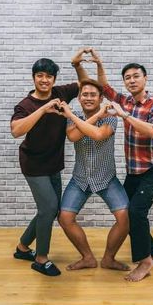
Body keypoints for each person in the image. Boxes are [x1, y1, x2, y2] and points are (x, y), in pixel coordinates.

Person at [76, 48, 153, 282]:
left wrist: (125, 116)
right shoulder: (124, 100)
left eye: (136, 76)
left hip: (152, 170)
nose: (132, 80)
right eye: (127, 77)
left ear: (145, 78)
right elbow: (104, 87)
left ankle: (145, 261)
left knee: (137, 211)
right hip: (133, 172)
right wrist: (99, 63)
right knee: (128, 213)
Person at [58, 50, 130, 271]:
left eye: (93, 95)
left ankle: (109, 258)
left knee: (124, 218)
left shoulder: (110, 115)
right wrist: (74, 116)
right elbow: (73, 136)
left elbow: (98, 135)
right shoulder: (76, 119)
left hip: (106, 178)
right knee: (65, 218)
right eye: (84, 94)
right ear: (79, 98)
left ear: (101, 98)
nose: (88, 97)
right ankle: (87, 257)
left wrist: (71, 114)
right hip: (80, 178)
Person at [10, 58, 79, 276]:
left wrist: (80, 65)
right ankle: (40, 259)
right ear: (34, 77)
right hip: (33, 164)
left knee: (49, 209)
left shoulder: (61, 92)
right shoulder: (25, 105)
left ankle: (22, 248)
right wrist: (44, 109)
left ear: (54, 79)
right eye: (40, 75)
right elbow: (16, 131)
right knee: (48, 209)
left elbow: (87, 85)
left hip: (53, 164)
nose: (44, 80)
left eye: (49, 76)